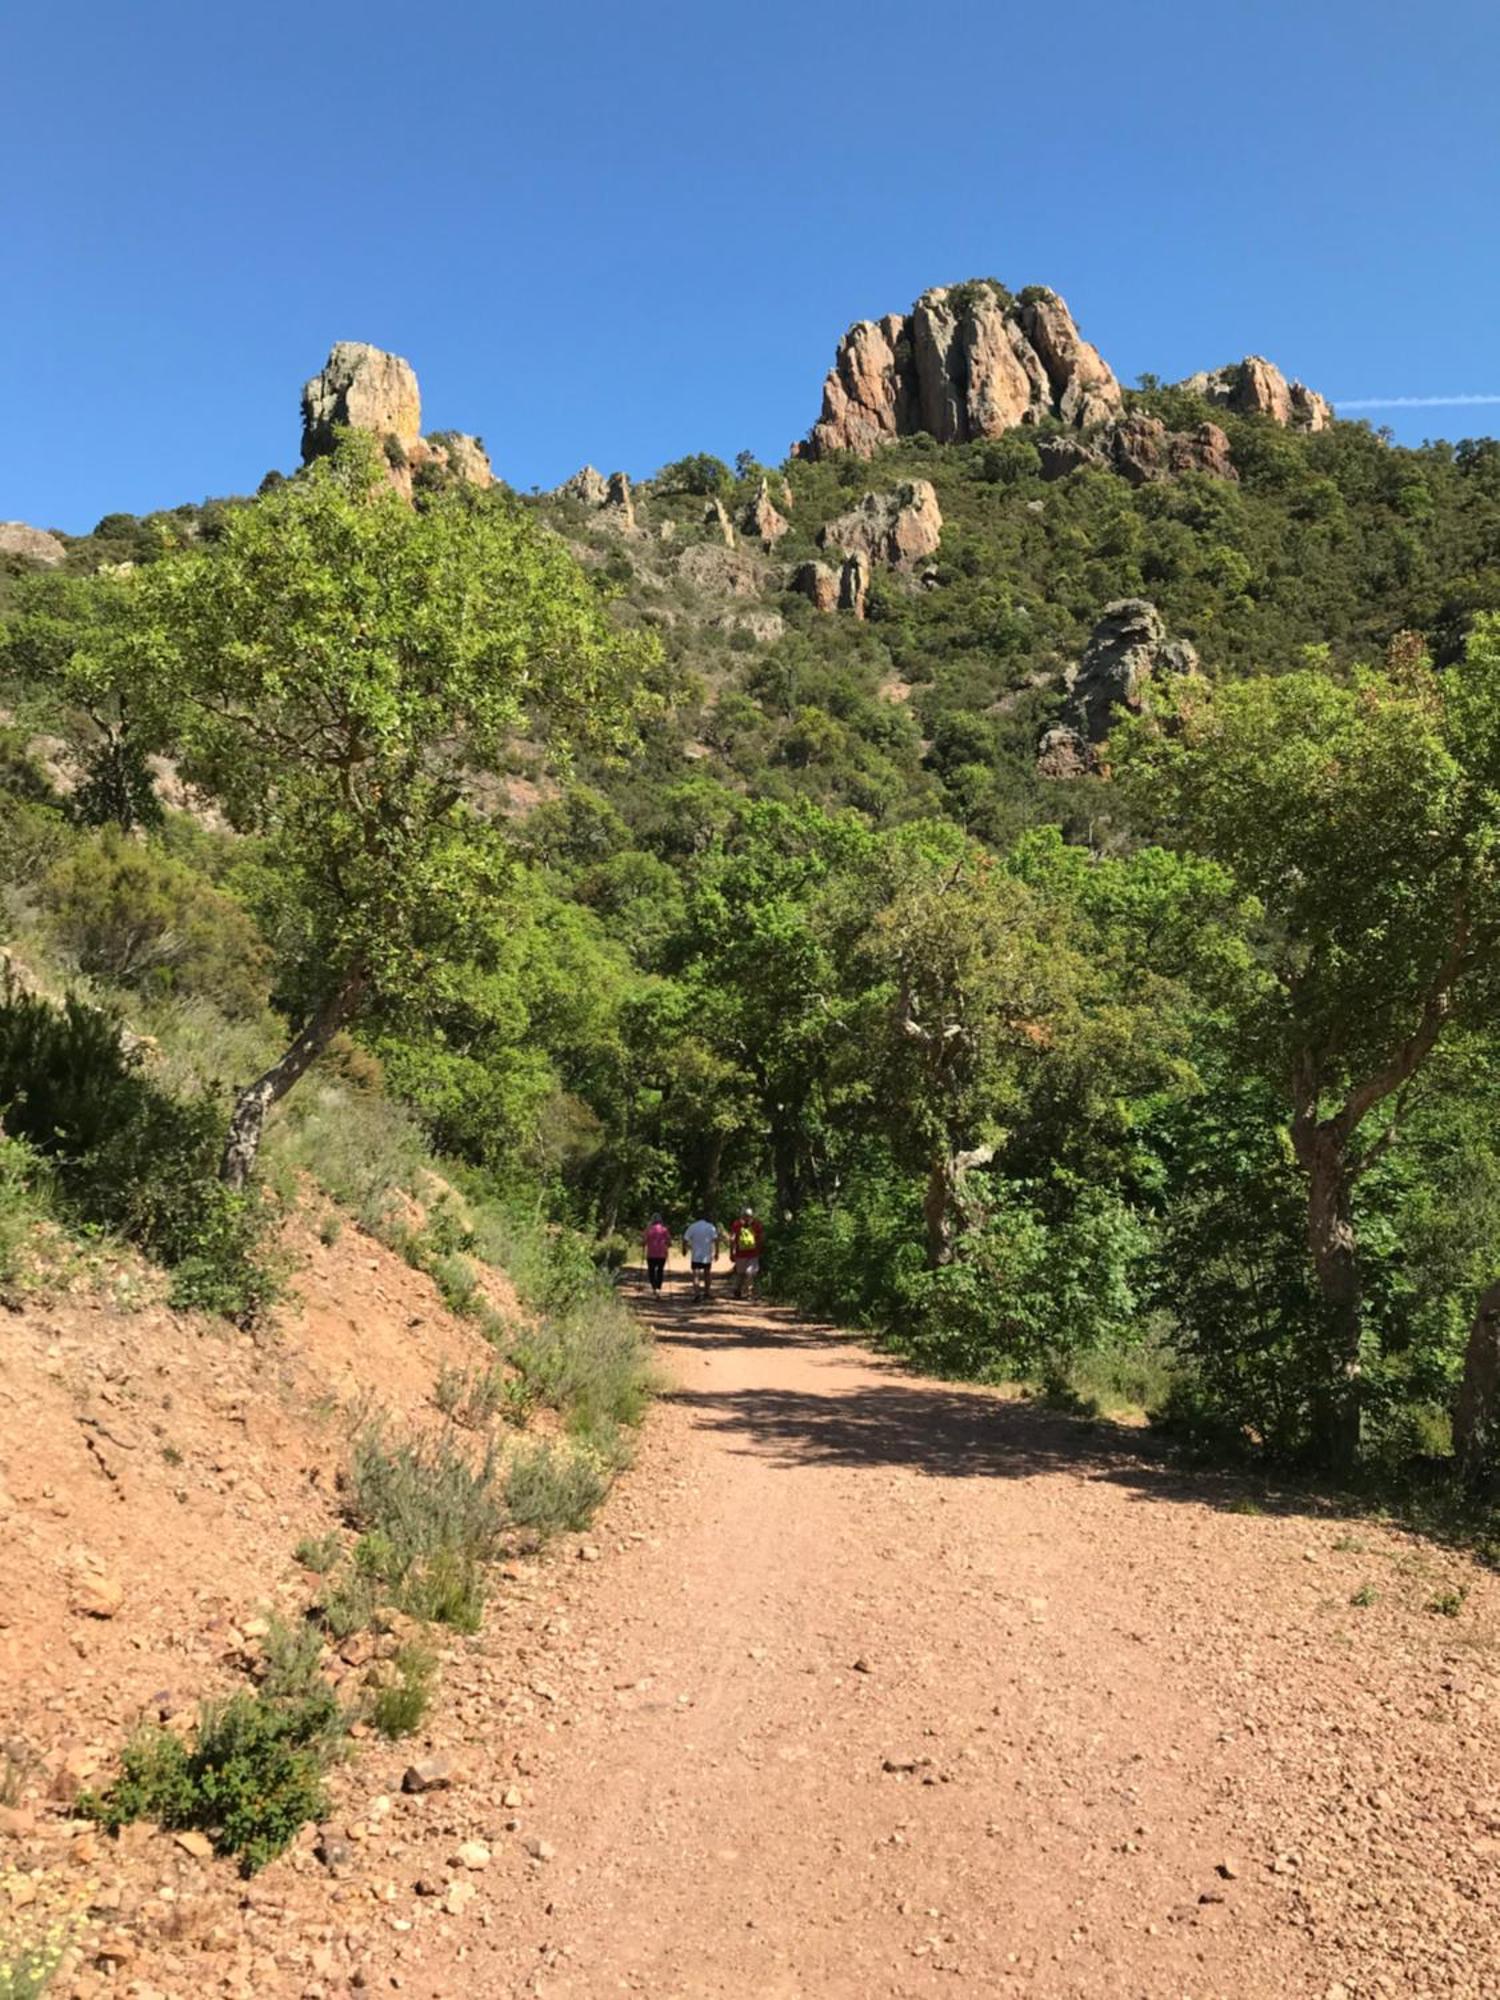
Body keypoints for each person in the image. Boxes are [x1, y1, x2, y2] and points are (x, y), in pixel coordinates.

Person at [728, 1205, 765, 1300]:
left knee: (749, 1273)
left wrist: (732, 1252)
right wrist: (732, 1252)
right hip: (742, 1254)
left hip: (752, 1254)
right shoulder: (738, 1225)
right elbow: (732, 1239)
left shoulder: (754, 1224)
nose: (747, 1217)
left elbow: (732, 1239)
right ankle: (737, 1290)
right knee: (741, 1274)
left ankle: (749, 1293)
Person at [682, 1213, 721, 1301]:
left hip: (696, 1255)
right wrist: (717, 1252)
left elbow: (685, 1239)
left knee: (696, 1275)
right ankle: (707, 1293)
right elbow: (716, 1240)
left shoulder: (692, 1226)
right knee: (707, 1274)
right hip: (706, 1255)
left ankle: (697, 1295)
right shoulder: (711, 1227)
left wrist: (684, 1249)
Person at [642, 1214, 671, 1295]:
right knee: (660, 1271)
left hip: (651, 1254)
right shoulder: (664, 1230)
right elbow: (669, 1242)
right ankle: (658, 1287)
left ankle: (654, 1287)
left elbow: (644, 1242)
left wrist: (643, 1244)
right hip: (662, 1254)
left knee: (651, 1271)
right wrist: (667, 1245)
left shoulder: (648, 1230)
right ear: (661, 1220)